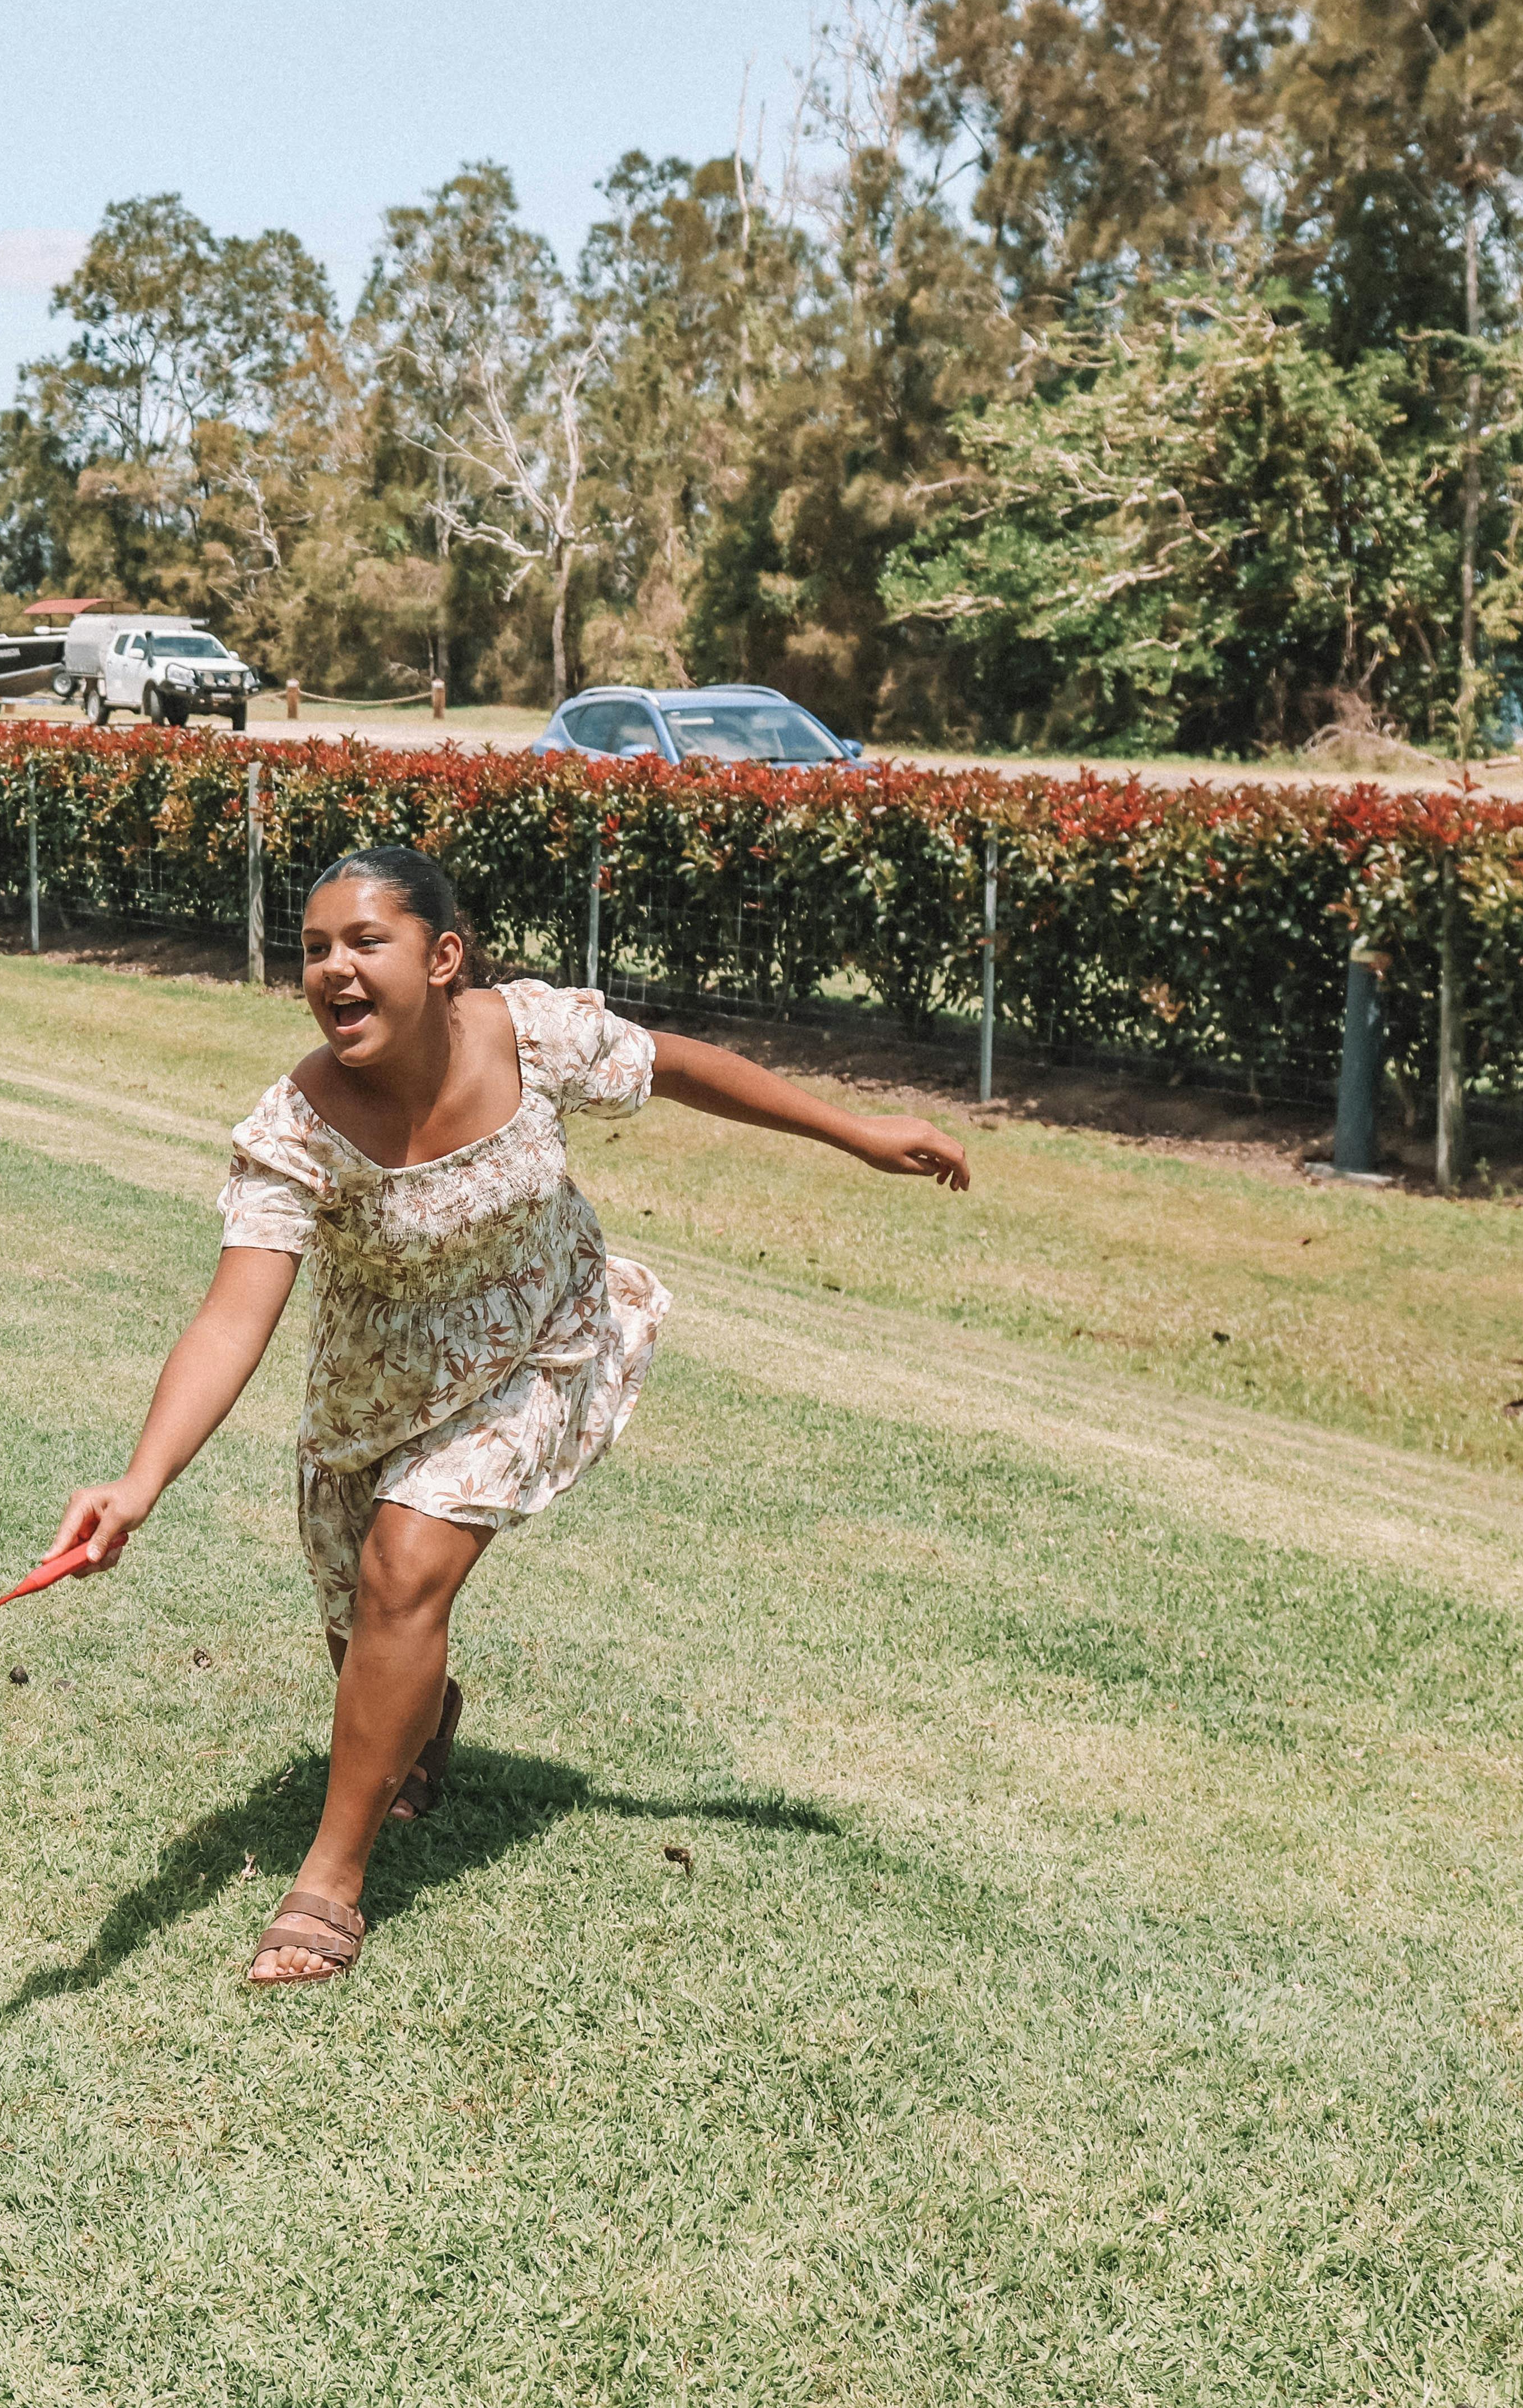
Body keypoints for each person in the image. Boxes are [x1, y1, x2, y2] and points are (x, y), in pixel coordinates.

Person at [52, 844, 968, 1988]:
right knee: (364, 1619)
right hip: (372, 1394)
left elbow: (678, 1065)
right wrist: (138, 1483)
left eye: (364, 943)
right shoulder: (295, 1129)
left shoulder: (531, 1037)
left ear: (442, 959)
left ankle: (327, 1884)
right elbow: (232, 1318)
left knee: (403, 1571)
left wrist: (860, 1133)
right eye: (314, 949)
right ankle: (418, 1726)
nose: (333, 969)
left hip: (545, 1341)